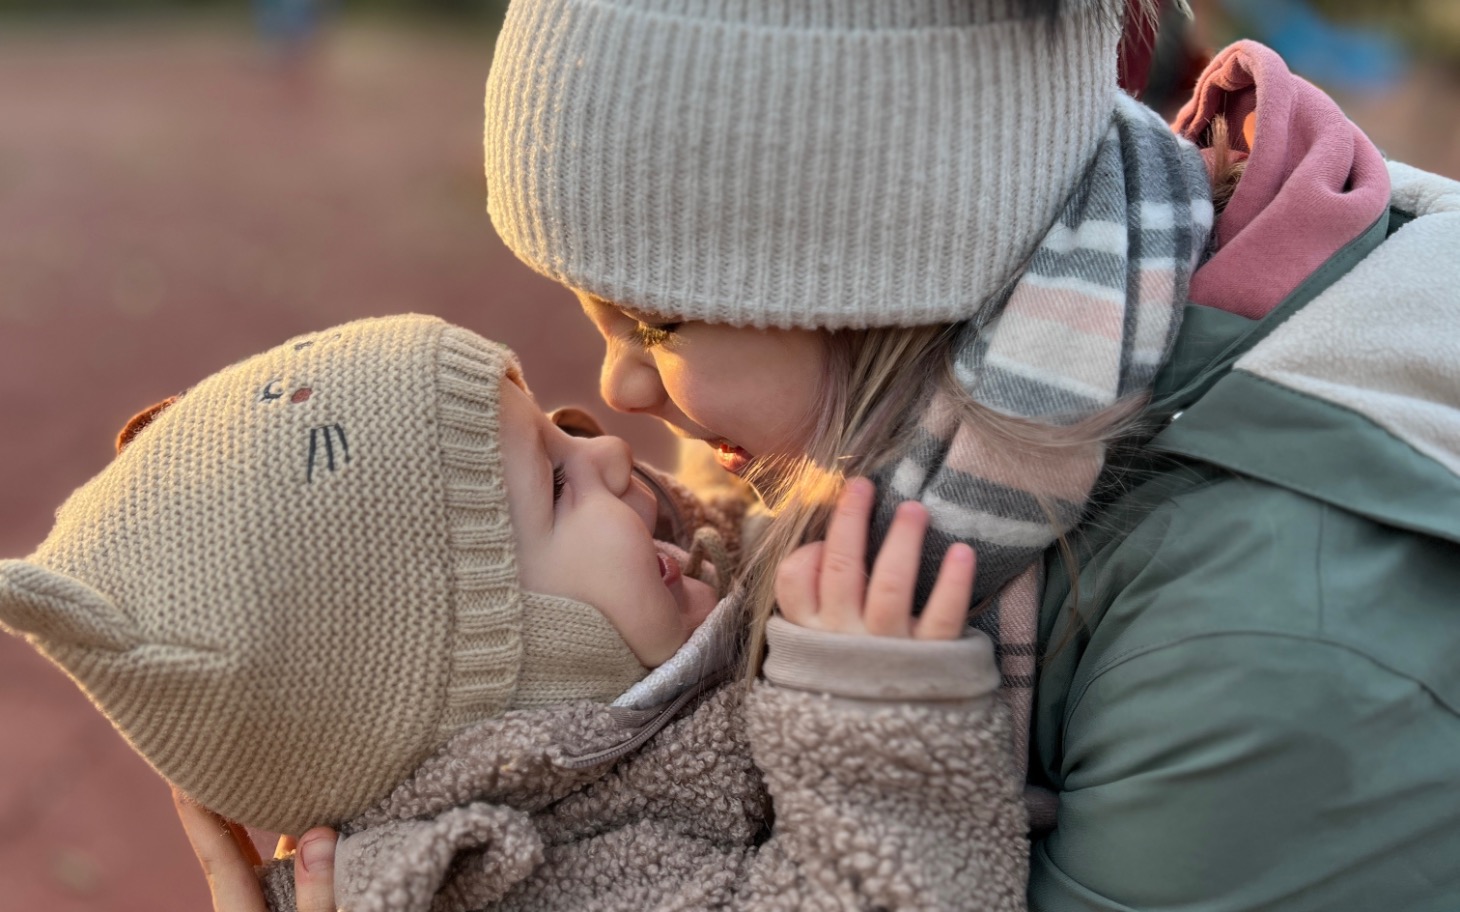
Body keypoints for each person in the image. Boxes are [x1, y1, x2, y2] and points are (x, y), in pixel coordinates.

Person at [194, 0, 1460, 906]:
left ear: (882, 277)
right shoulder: (1038, 376)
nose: (615, 389)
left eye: (654, 321)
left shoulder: (1260, 646)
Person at [0, 314, 1027, 912]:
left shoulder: (608, 669)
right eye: (553, 484)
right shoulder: (538, 880)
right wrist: (874, 724)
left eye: (559, 432)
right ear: (489, 683)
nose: (615, 450)